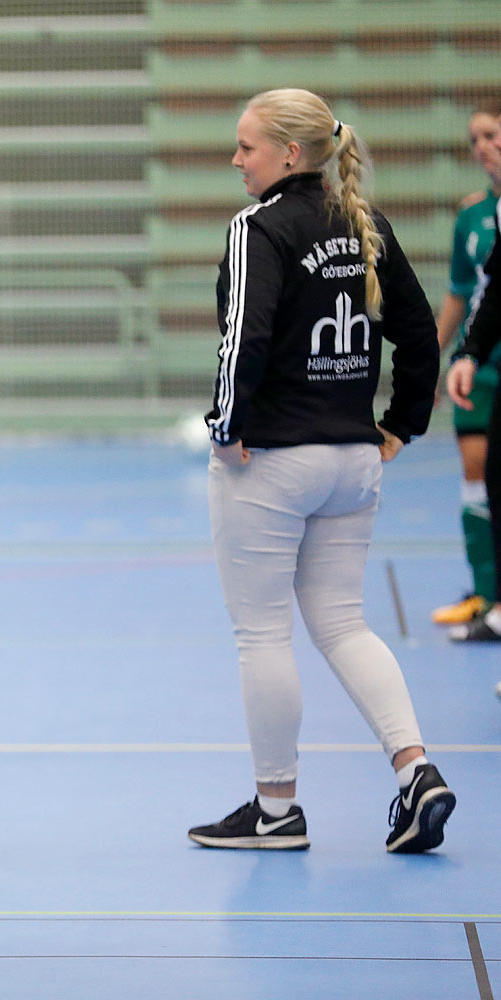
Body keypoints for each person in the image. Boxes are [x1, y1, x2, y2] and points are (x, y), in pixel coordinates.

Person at [192, 88, 455, 854]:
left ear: (290, 155)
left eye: (246, 147)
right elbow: (418, 333)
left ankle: (277, 811)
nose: (236, 160)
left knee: (262, 632)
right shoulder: (365, 224)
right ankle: (417, 770)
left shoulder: (259, 228)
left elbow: (247, 334)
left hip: (272, 461)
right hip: (352, 459)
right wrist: (401, 423)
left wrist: (225, 424)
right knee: (344, 623)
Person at [432, 101, 501, 633]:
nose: (482, 145)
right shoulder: (472, 216)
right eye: (475, 137)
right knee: (478, 473)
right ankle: (486, 594)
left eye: (491, 134)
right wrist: (432, 358)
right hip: (482, 367)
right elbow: (463, 295)